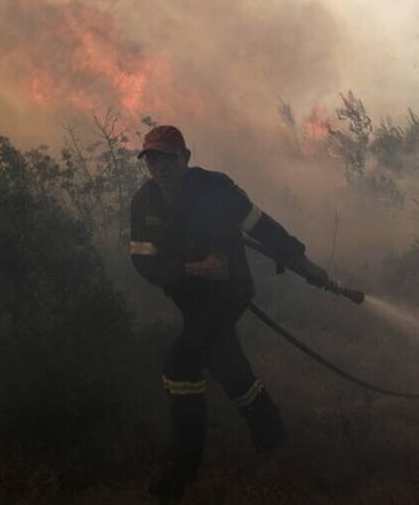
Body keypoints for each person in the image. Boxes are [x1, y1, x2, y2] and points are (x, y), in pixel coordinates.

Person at [128, 124, 330, 502]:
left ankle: (181, 472)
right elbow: (143, 262)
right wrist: (190, 269)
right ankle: (276, 446)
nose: (160, 166)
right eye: (152, 158)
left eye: (167, 157)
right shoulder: (144, 203)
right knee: (229, 368)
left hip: (229, 291)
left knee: (180, 364)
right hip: (190, 299)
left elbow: (264, 228)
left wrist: (306, 266)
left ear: (185, 157)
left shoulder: (217, 188)